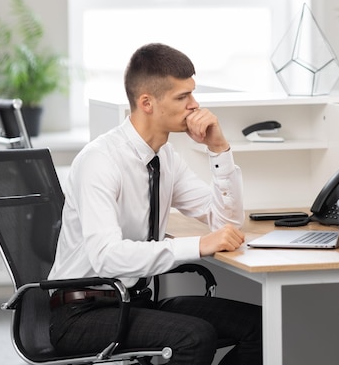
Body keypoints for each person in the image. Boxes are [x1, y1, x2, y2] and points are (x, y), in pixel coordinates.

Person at [48, 43, 262, 365]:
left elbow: (225, 223)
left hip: (134, 302)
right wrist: (198, 245)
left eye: (193, 94)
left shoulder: (166, 157)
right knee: (194, 337)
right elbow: (107, 258)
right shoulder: (100, 161)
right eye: (182, 97)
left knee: (258, 326)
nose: (195, 105)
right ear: (146, 102)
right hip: (81, 313)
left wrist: (219, 149)